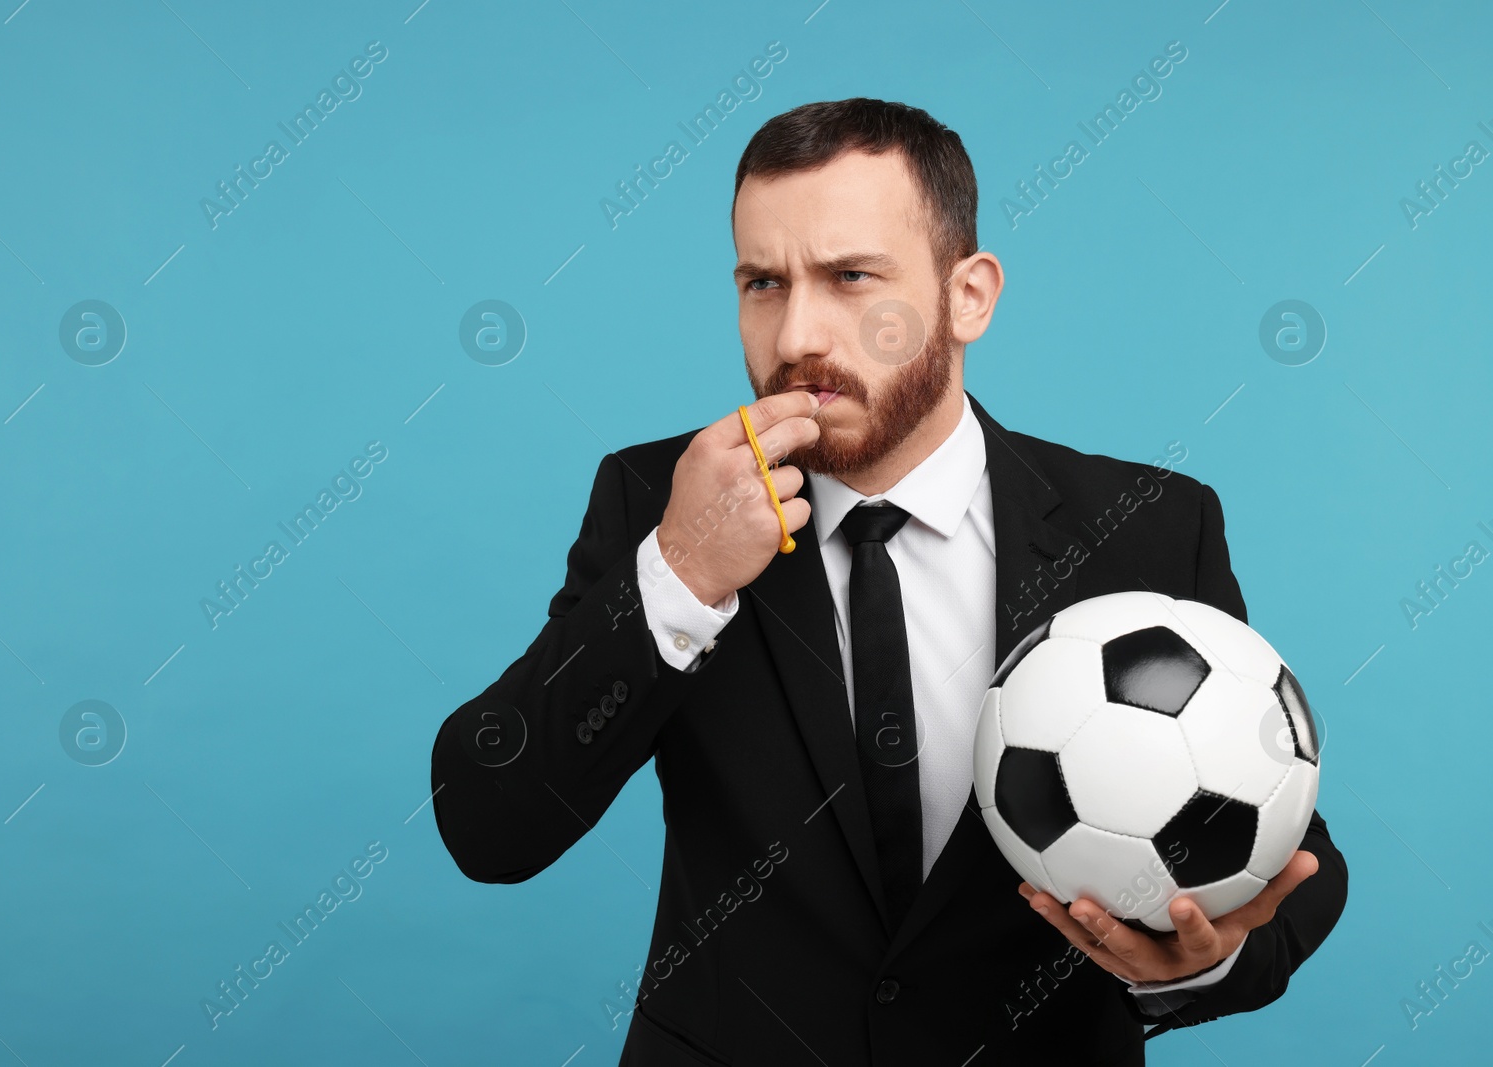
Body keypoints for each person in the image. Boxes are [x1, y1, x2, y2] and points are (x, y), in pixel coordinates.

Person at [431, 97, 1346, 1064]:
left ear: (970, 296)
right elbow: (490, 824)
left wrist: (1195, 965)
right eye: (762, 283)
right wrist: (681, 574)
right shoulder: (656, 502)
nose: (796, 337)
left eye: (851, 277)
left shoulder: (1148, 525)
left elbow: (1286, 849)